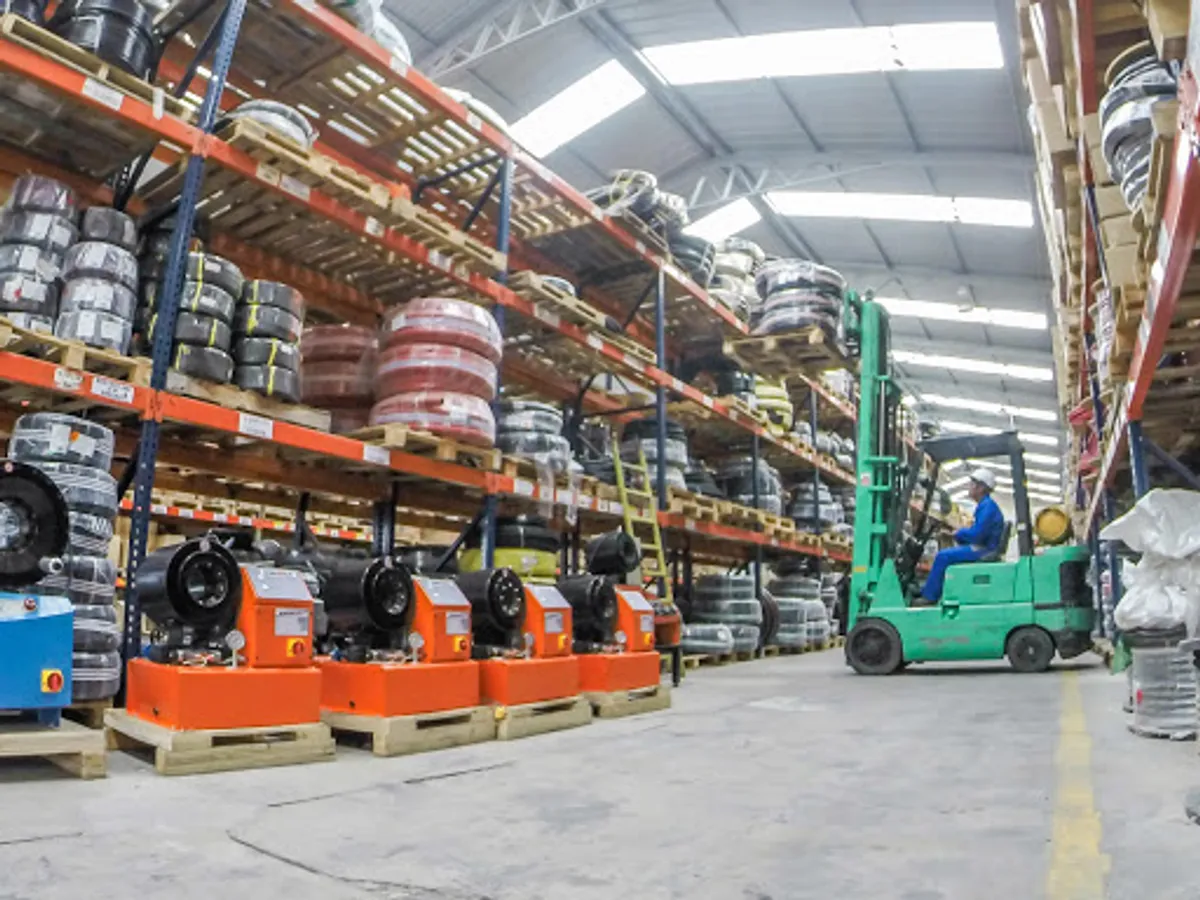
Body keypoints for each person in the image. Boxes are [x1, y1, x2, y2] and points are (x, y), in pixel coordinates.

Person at [919, 467, 1005, 603]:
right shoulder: (985, 505)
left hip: (985, 549)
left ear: (981, 488)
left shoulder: (987, 507)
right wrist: (957, 533)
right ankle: (926, 590)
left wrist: (959, 533)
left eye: (972, 484)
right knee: (947, 553)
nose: (969, 487)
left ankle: (929, 597)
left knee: (943, 556)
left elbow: (977, 535)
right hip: (985, 546)